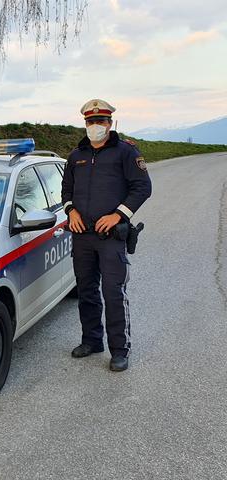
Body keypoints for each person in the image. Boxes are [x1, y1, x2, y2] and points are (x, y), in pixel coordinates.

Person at [61, 99, 152, 372]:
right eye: (90, 122)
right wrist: (71, 211)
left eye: (100, 121)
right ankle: (91, 340)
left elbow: (142, 187)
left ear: (109, 123)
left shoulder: (125, 152)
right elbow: (66, 190)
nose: (95, 126)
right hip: (82, 236)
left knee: (113, 292)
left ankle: (120, 350)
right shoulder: (76, 155)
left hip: (111, 236)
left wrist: (118, 215)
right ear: (85, 124)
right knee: (86, 290)